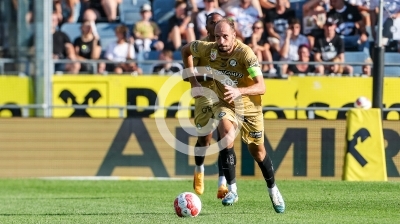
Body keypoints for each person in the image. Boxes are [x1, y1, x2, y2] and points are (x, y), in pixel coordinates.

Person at [181, 18, 285, 213]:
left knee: (258, 152)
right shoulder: (208, 48)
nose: (221, 41)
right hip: (226, 105)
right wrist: (193, 81)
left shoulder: (246, 53)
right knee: (225, 131)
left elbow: (262, 86)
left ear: (234, 36)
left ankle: (273, 190)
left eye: (225, 37)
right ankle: (232, 189)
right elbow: (185, 50)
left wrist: (240, 91)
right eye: (218, 36)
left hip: (250, 109)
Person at [188, 12, 228, 199]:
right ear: (207, 27)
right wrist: (194, 83)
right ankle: (199, 169)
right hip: (205, 92)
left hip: (225, 95)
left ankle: (223, 182)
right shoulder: (201, 46)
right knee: (205, 139)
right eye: (213, 23)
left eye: (220, 22)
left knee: (225, 137)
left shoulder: (229, 44)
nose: (217, 25)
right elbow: (189, 62)